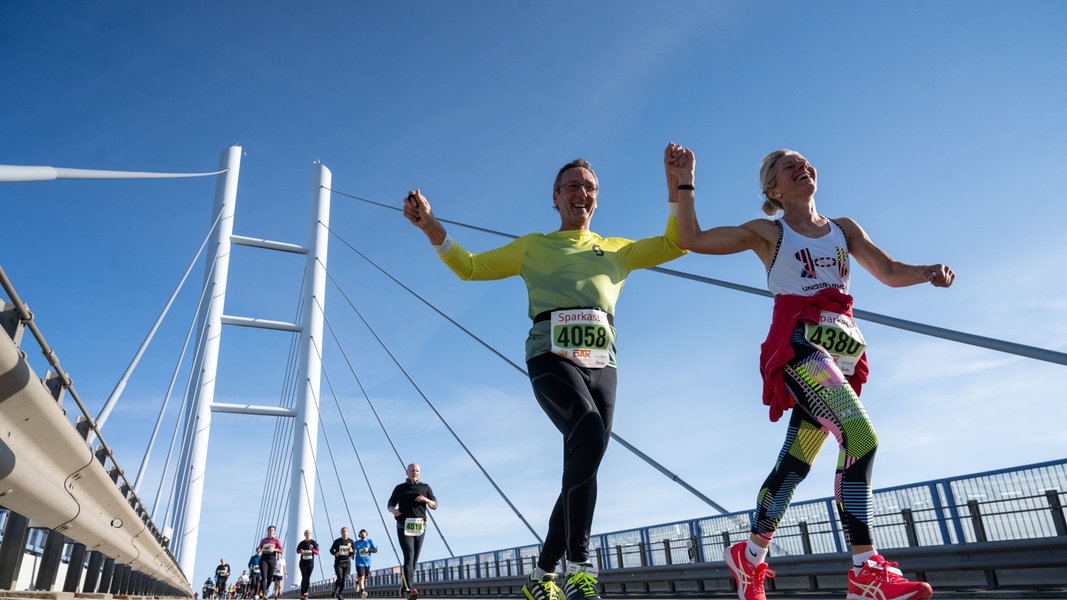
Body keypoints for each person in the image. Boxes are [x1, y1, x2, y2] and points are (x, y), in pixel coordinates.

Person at [402, 144, 689, 600]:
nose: (582, 192)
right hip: (550, 355)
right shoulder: (533, 246)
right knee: (590, 440)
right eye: (572, 186)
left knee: (584, 465)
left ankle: (541, 576)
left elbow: (676, 243)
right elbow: (471, 268)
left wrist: (678, 182)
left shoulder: (617, 249)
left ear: (598, 198)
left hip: (604, 364)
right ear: (554, 197)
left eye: (590, 187)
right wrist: (430, 227)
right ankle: (580, 566)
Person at [674, 146, 953, 600]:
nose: (802, 167)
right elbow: (693, 239)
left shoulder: (843, 229)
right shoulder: (770, 232)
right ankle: (865, 568)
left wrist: (927, 272)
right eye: (790, 166)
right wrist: (683, 182)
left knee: (794, 464)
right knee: (860, 436)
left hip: (840, 354)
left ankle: (751, 555)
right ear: (774, 189)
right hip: (800, 350)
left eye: (806, 162)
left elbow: (886, 270)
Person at [385, 463, 437, 600]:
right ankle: (408, 590)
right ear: (407, 472)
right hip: (403, 526)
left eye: (418, 470)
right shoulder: (400, 488)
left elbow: (435, 504)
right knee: (409, 556)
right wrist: (394, 511)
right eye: (413, 470)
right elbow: (390, 504)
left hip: (420, 527)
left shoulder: (425, 487)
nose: (415, 472)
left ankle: (404, 586)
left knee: (414, 561)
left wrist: (426, 499)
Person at [257, 525, 284, 598]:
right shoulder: (263, 540)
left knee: (270, 577)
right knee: (263, 577)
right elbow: (260, 548)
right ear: (268, 531)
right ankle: (262, 595)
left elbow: (281, 550)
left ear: (274, 531)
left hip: (272, 558)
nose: (271, 531)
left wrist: (275, 550)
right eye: (269, 530)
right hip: (264, 559)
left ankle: (266, 589)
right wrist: (259, 549)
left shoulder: (277, 540)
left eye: (272, 530)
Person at [330, 526, 357, 599]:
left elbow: (354, 552)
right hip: (338, 562)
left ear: (348, 532)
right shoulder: (337, 541)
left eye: (346, 531)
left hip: (347, 562)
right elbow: (331, 550)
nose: (344, 532)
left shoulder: (351, 541)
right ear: (341, 533)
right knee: (340, 578)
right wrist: (335, 553)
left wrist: (352, 551)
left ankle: (340, 593)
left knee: (344, 579)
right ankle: (335, 589)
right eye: (343, 531)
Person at [296, 528, 320, 600]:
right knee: (304, 577)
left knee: (308, 578)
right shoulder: (301, 543)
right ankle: (302, 593)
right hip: (303, 562)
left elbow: (317, 553)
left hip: (310, 563)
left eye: (309, 533)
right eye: (306, 533)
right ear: (304, 535)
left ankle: (306, 592)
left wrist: (312, 549)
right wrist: (301, 552)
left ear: (311, 534)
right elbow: (297, 551)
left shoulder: (314, 542)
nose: (308, 534)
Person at [353, 528, 378, 599]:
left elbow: (375, 550)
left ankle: (357, 583)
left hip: (368, 563)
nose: (363, 534)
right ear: (359, 535)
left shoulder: (370, 541)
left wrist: (369, 550)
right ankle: (363, 592)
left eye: (364, 532)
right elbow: (352, 551)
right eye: (361, 533)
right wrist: (351, 555)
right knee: (361, 577)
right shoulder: (356, 543)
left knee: (365, 578)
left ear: (366, 534)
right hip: (359, 563)